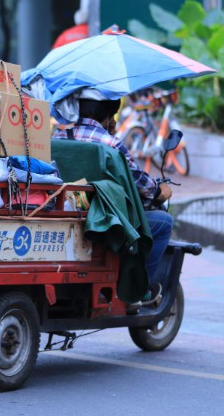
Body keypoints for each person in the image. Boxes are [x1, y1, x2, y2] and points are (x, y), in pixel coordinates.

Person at [52, 89, 173, 305]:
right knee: (164, 222)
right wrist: (159, 191)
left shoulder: (59, 136)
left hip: (68, 212)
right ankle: (139, 289)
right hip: (106, 221)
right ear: (109, 114)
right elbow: (139, 183)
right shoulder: (111, 145)